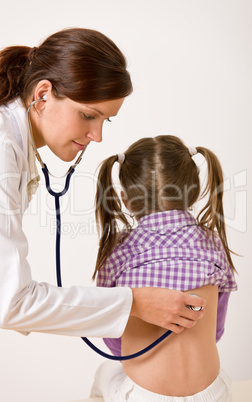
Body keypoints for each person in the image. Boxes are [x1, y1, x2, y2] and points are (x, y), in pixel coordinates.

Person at [0, 29, 205, 341]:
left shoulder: (3, 143)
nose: (97, 136)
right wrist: (135, 303)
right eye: (88, 115)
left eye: (105, 120)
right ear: (43, 95)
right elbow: (11, 305)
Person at [91, 135, 237, 401]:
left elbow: (113, 336)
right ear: (193, 191)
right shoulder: (211, 241)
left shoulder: (119, 249)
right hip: (214, 393)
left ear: (124, 199)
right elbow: (216, 329)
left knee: (105, 371)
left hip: (145, 396)